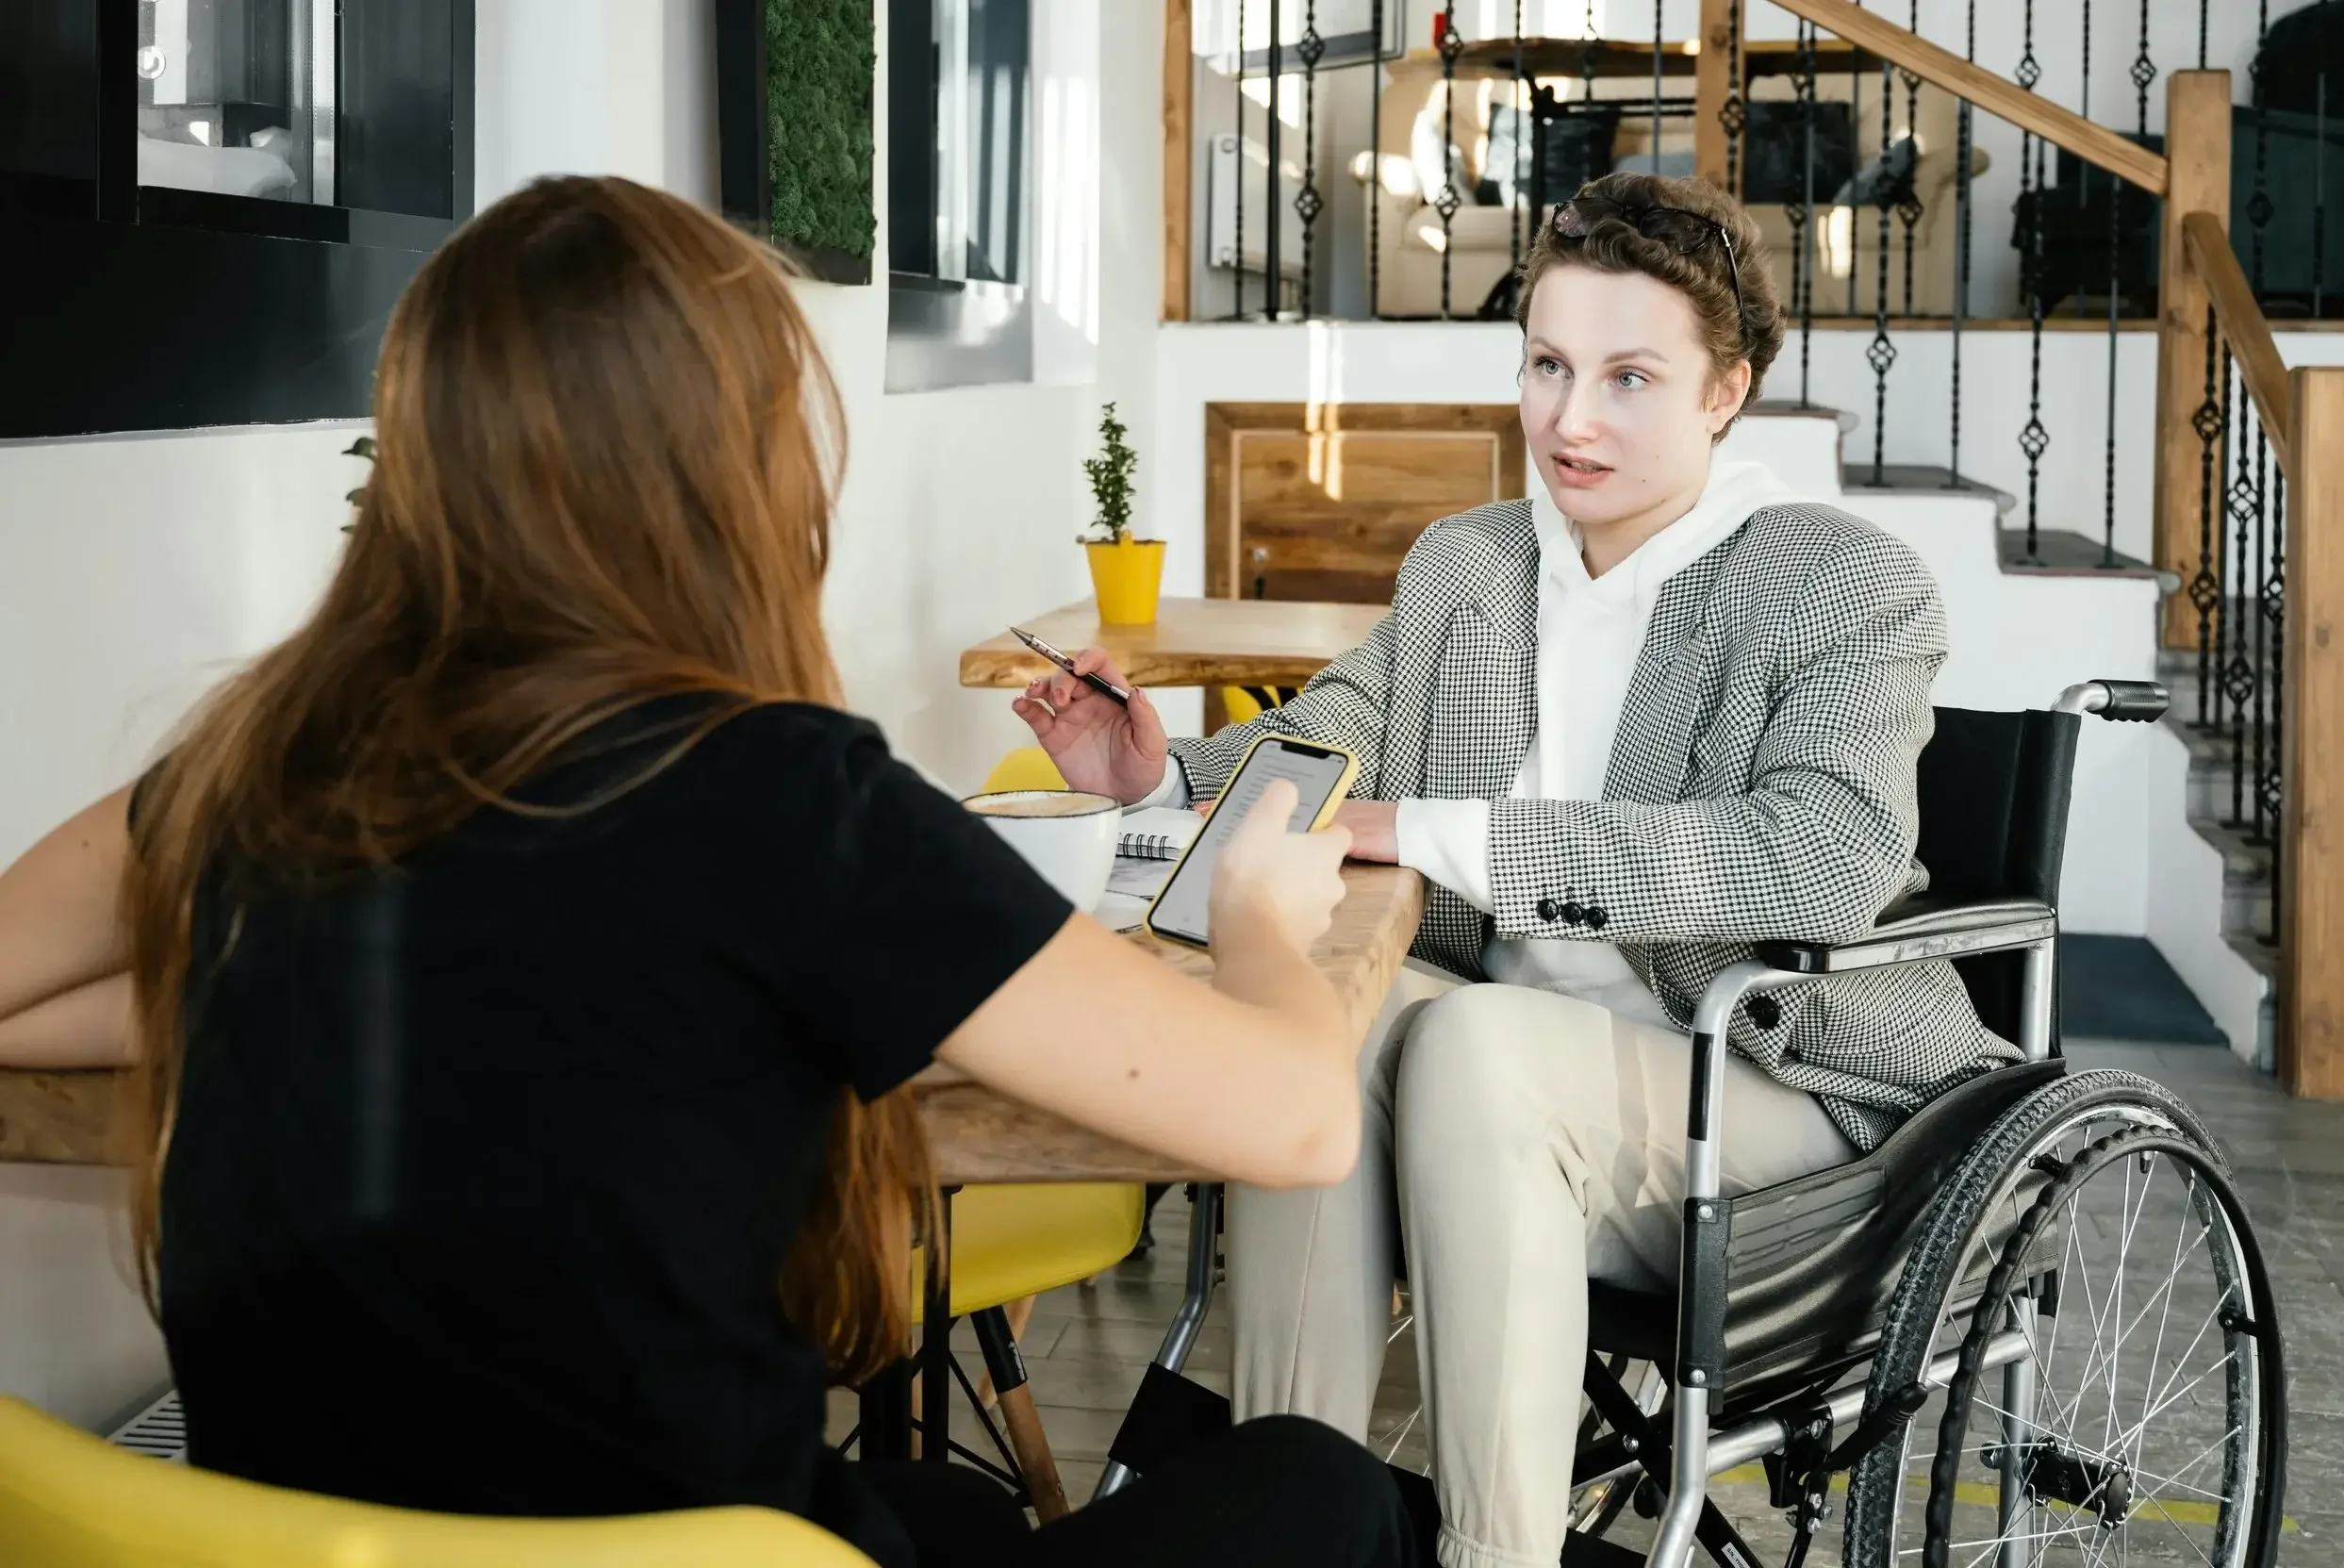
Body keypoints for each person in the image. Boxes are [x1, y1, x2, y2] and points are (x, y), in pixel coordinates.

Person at [0, 175, 1411, 1568]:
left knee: (953, 1515)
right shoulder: (787, 802)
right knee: (1320, 1490)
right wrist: (1257, 918)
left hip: (306, 1545)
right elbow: (1298, 1121)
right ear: (734, 475)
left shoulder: (255, 761)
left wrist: (287, 976)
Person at [1018, 171, 2017, 1568]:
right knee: (1319, 1036)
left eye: (1629, 376)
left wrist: (1440, 830)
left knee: (1477, 1041)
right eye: (1548, 364)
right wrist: (1155, 773)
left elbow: (1821, 861)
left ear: (1725, 393)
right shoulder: (1470, 566)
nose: (1571, 417)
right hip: (1498, 1092)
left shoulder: (1843, 582)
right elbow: (1335, 734)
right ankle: (1285, 1534)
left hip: (1784, 1096)